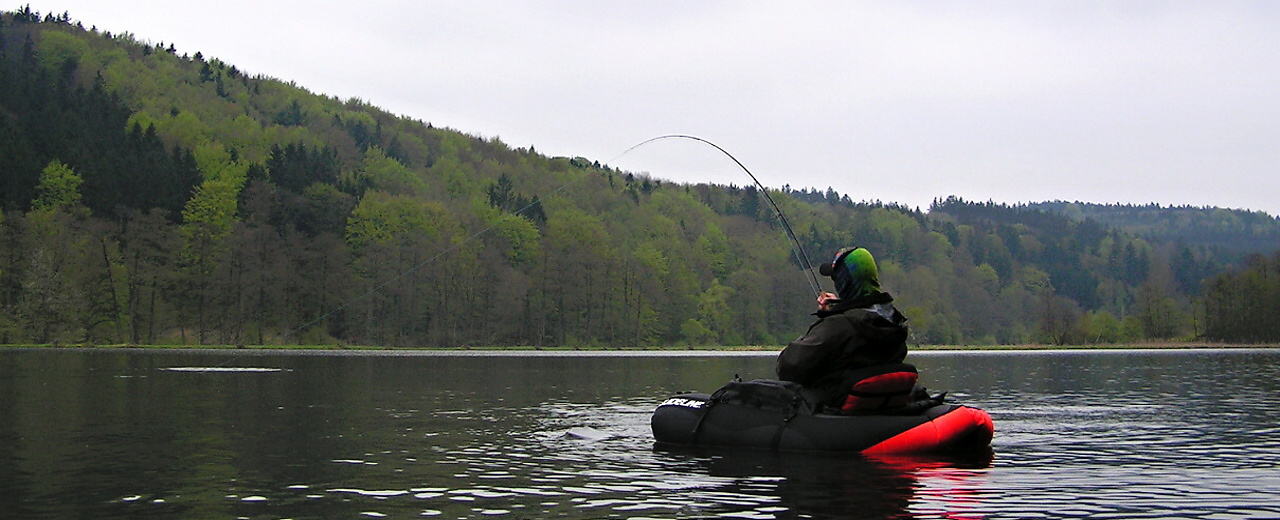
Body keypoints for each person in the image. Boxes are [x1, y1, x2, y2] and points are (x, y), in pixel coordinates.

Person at [776, 247, 910, 404]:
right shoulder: (894, 322)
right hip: (879, 406)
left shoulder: (838, 326)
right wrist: (841, 307)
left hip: (837, 411)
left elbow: (788, 367)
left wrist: (831, 316)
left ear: (844, 281)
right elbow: (867, 314)